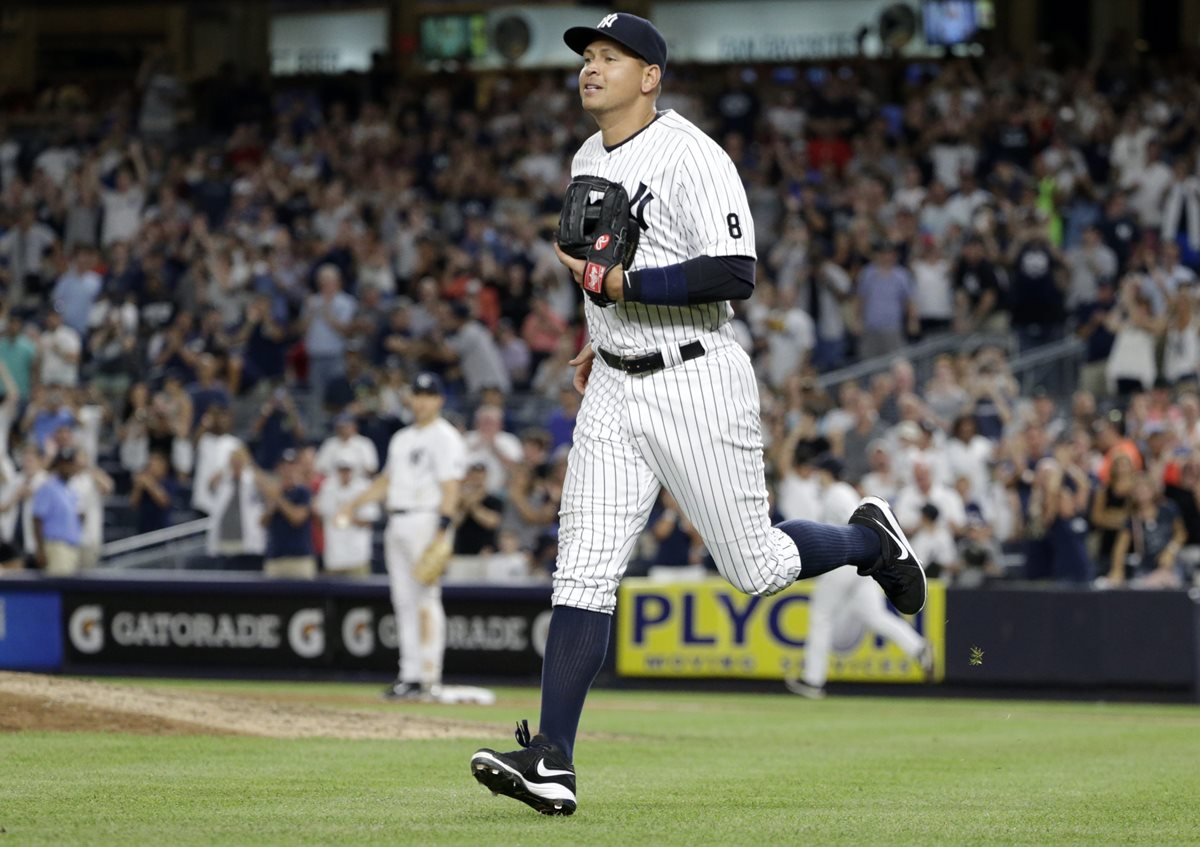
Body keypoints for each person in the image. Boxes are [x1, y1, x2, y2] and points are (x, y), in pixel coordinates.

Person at [468, 13, 925, 817]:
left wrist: (620, 294)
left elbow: (734, 272)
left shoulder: (693, 154)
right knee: (582, 568)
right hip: (613, 381)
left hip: (694, 375)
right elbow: (604, 260)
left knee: (755, 568)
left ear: (650, 76)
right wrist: (594, 329)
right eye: (588, 56)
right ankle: (554, 759)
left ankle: (867, 539)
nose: (591, 67)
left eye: (611, 57)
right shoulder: (585, 156)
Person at [341, 372, 465, 701]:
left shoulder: (445, 436)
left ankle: (429, 677)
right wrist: (354, 503)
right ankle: (408, 675)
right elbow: (386, 481)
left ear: (439, 400)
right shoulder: (402, 438)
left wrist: (443, 530)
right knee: (403, 601)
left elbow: (451, 486)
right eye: (417, 394)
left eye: (428, 394)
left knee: (426, 599)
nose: (421, 400)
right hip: (397, 520)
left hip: (426, 519)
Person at [784, 455, 932, 699]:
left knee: (821, 615)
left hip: (847, 560)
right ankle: (918, 647)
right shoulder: (840, 492)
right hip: (861, 561)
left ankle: (812, 679)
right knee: (874, 616)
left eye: (820, 472)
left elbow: (853, 525)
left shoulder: (837, 492)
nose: (817, 476)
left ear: (827, 474)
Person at [314, 459, 380, 578]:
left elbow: (368, 521)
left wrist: (346, 516)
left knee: (360, 594)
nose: (344, 474)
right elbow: (320, 514)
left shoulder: (363, 488)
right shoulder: (328, 487)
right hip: (334, 557)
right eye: (341, 470)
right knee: (333, 595)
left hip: (357, 557)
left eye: (347, 470)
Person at [259, 449, 317, 579]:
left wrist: (278, 499)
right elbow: (262, 522)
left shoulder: (303, 492)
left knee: (304, 598)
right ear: (278, 468)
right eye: (284, 465)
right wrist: (271, 505)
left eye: (292, 465)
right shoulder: (273, 491)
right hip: (275, 556)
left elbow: (297, 519)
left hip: (299, 558)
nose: (288, 469)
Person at [31, 447, 83, 575]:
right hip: (56, 547)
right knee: (59, 587)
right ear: (58, 465)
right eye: (65, 464)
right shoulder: (48, 487)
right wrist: (40, 549)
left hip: (72, 547)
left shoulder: (70, 490)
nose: (68, 467)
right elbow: (37, 519)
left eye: (70, 463)